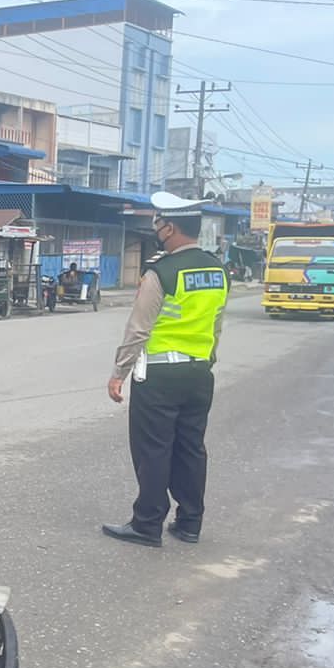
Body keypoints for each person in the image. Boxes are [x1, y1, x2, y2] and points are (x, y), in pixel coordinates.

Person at [103, 193, 229, 548]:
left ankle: (147, 524)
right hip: (200, 372)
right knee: (191, 448)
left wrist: (119, 372)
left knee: (153, 450)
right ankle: (190, 522)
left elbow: (139, 329)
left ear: (169, 228)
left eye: (158, 225)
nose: (157, 230)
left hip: (159, 375)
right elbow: (216, 323)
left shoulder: (161, 272)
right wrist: (207, 360)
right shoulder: (218, 269)